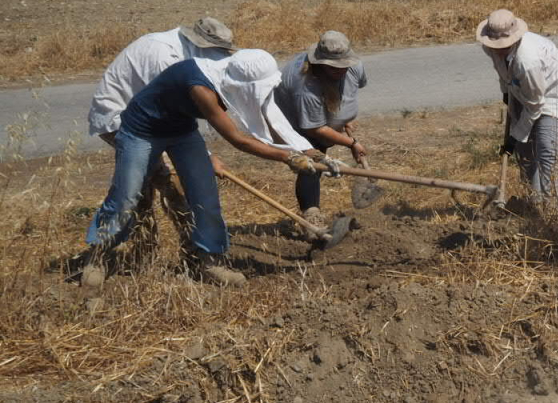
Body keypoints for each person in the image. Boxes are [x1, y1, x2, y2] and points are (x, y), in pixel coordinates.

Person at [81, 49, 324, 289]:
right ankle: (99, 256)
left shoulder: (232, 72)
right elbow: (238, 140)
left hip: (181, 130)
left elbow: (270, 117)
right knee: (126, 195)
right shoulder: (202, 87)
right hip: (141, 130)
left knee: (205, 195)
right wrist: (288, 157)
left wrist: (305, 152)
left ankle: (209, 262)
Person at [86, 18, 240, 253]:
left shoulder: (192, 56)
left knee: (146, 187)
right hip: (120, 119)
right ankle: (116, 250)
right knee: (163, 185)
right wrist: (208, 156)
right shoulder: (164, 55)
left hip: (161, 121)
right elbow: (171, 106)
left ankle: (151, 250)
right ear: (200, 43)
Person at [477, 9, 558, 205]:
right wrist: (506, 94)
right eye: (495, 44)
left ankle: (553, 209)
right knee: (524, 152)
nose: (498, 49)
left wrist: (514, 137)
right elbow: (502, 72)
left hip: (555, 93)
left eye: (503, 45)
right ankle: (534, 202)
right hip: (522, 88)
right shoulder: (489, 46)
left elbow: (535, 104)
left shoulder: (527, 60)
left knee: (547, 150)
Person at [274, 31, 368, 232]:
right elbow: (314, 128)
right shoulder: (305, 86)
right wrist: (351, 143)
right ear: (321, 64)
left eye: (344, 65)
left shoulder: (355, 66)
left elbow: (351, 90)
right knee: (311, 165)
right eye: (334, 68)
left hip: (320, 120)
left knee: (316, 160)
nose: (341, 70)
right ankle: (311, 216)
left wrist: (345, 118)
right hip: (298, 125)